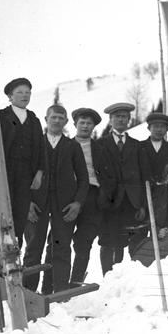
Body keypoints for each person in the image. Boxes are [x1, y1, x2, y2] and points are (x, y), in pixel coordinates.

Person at [25, 104, 88, 294]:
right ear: (46, 120)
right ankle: (28, 294)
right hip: (37, 204)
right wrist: (27, 202)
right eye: (53, 117)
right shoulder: (35, 145)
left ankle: (60, 294)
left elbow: (84, 179)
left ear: (67, 122)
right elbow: (24, 177)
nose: (57, 121)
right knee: (33, 248)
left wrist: (77, 203)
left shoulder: (73, 146)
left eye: (61, 118)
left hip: (64, 206)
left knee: (61, 248)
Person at [0, 77, 45, 247]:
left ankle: (14, 253)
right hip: (4, 170)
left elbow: (41, 149)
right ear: (10, 96)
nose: (24, 95)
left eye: (27, 92)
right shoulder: (0, 116)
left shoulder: (34, 120)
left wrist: (39, 172)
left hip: (27, 172)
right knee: (2, 212)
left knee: (21, 213)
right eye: (20, 92)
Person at [95, 102, 146, 274]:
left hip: (131, 202)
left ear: (129, 120)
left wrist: (143, 205)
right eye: (117, 116)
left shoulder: (137, 146)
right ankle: (107, 277)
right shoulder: (100, 144)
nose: (120, 120)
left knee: (123, 241)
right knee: (108, 240)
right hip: (109, 201)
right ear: (110, 120)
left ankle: (117, 278)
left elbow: (144, 176)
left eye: (124, 116)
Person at [69, 107, 107, 286]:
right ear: (75, 124)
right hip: (69, 196)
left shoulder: (100, 149)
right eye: (82, 122)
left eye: (89, 123)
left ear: (94, 127)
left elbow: (109, 175)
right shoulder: (65, 146)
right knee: (59, 240)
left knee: (84, 241)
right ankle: (55, 283)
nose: (85, 126)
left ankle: (75, 282)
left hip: (92, 197)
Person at [138, 112, 168, 186]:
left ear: (167, 129)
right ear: (149, 128)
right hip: (145, 190)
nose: (159, 130)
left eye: (162, 127)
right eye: (155, 126)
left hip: (166, 190)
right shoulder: (140, 146)